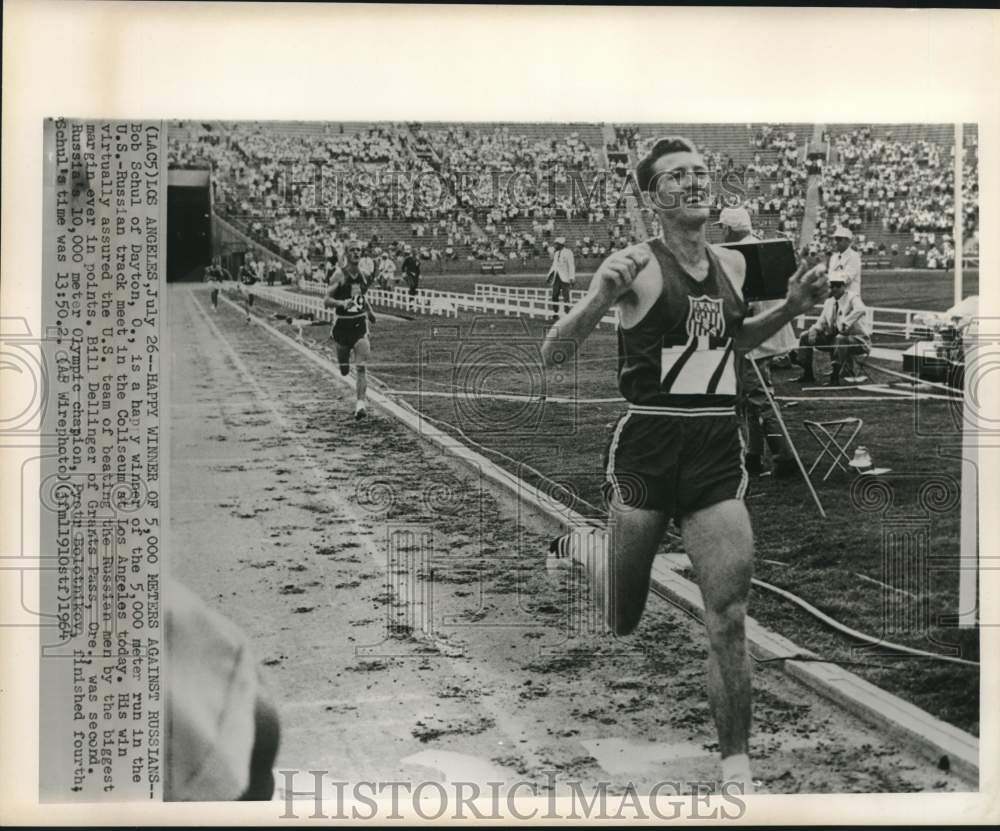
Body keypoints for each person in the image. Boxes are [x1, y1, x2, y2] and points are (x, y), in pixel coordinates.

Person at [541, 136, 827, 793]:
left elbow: (733, 343)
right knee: (622, 617)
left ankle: (736, 772)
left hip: (711, 455)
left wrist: (789, 309)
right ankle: (585, 545)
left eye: (700, 172)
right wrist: (594, 300)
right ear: (654, 197)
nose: (694, 182)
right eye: (677, 176)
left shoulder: (729, 262)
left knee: (727, 613)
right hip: (647, 451)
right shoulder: (635, 265)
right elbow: (555, 353)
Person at [716, 207, 796, 477]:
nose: (721, 232)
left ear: (729, 228)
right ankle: (753, 455)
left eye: (722, 228)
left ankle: (784, 457)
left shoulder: (742, 255)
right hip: (769, 335)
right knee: (751, 400)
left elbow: (744, 304)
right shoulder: (762, 248)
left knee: (759, 398)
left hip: (754, 339)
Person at [324, 241, 376, 419]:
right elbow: (326, 300)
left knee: (361, 367)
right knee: (345, 370)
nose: (356, 253)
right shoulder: (339, 275)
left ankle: (360, 405)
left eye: (358, 250)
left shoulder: (364, 275)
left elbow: (360, 296)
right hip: (342, 328)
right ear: (346, 253)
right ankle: (343, 364)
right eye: (352, 250)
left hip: (359, 326)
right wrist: (341, 303)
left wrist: (369, 312)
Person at [795, 275, 871, 386]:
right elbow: (821, 322)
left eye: (837, 285)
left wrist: (846, 322)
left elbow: (861, 309)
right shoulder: (829, 302)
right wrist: (814, 330)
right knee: (805, 336)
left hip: (858, 340)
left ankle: (834, 377)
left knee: (840, 339)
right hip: (835, 340)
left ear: (843, 286)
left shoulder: (852, 297)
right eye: (831, 285)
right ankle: (807, 373)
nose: (834, 289)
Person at [546, 236, 576, 321]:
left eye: (556, 244)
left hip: (565, 278)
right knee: (554, 295)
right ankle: (555, 313)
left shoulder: (568, 252)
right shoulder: (556, 254)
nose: (555, 245)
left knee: (566, 296)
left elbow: (571, 265)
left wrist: (572, 277)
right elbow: (554, 266)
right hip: (557, 277)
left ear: (560, 244)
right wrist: (549, 276)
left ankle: (567, 314)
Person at [828, 225, 862, 295]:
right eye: (835, 239)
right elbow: (830, 275)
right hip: (835, 296)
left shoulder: (854, 256)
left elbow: (847, 278)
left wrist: (831, 278)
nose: (836, 242)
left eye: (839, 239)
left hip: (850, 297)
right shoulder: (834, 257)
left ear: (848, 241)